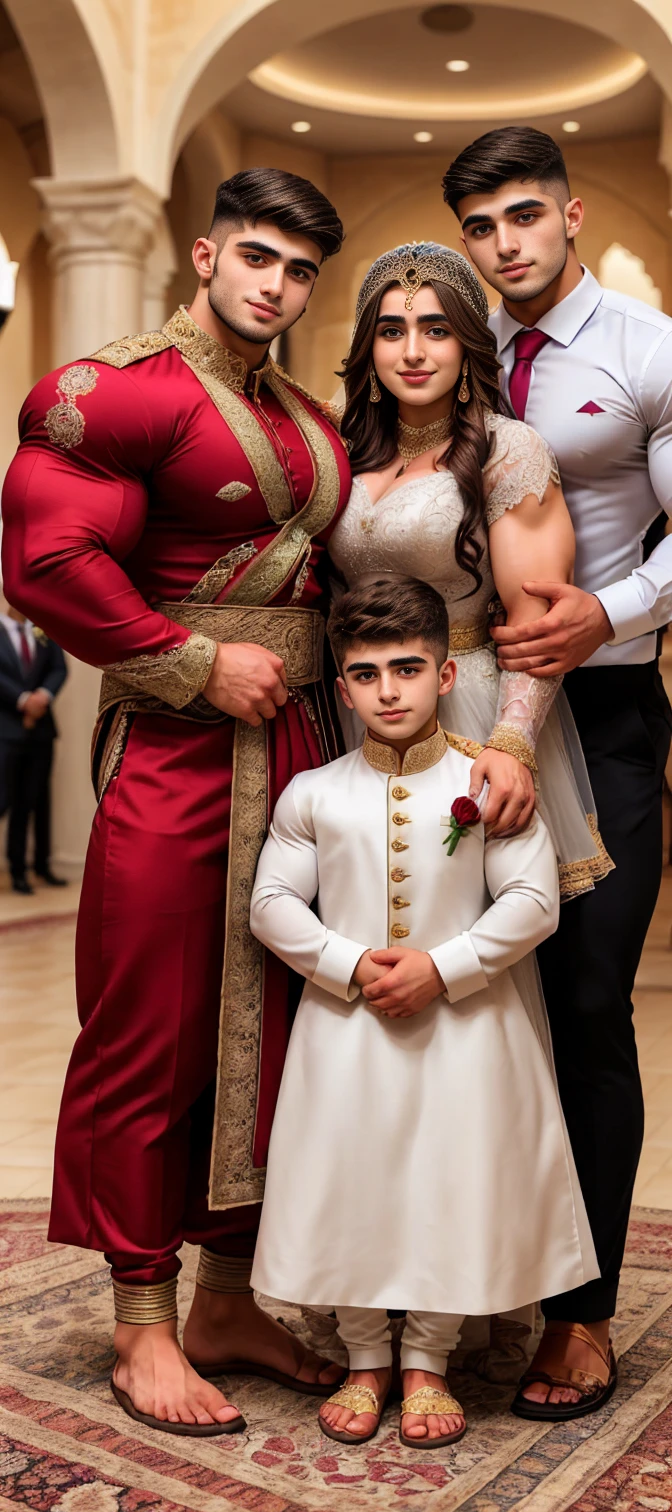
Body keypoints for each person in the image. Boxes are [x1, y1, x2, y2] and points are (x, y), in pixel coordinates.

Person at [1, 167, 352, 1436]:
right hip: (174, 743)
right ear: (205, 256)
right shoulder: (114, 391)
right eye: (257, 255)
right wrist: (199, 662)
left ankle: (227, 1298)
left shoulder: (309, 418)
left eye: (301, 269)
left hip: (304, 746)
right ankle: (141, 1324)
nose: (277, 284)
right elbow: (45, 558)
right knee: (148, 1025)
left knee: (269, 1037)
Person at [249, 575, 600, 1450]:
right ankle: (367, 1354)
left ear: (446, 675)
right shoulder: (313, 794)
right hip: (348, 1028)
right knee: (356, 1175)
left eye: (408, 669)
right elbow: (271, 904)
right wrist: (350, 962)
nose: (389, 691)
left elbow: (532, 900)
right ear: (342, 687)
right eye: (366, 675)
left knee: (452, 1174)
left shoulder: (488, 783)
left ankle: (430, 1358)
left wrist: (443, 969)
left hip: (466, 1030)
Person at [443, 124, 672, 1419]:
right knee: (477, 1005)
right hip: (468, 719)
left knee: (588, 1005)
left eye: (522, 215)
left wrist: (612, 613)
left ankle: (580, 1318)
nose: (503, 245)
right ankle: (475, 1271)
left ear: (572, 215)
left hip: (610, 710)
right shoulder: (452, 356)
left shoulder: (648, 351)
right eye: (480, 225)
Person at [328, 241, 613, 900]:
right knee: (380, 910)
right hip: (358, 710)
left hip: (473, 710)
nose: (413, 351)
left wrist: (511, 742)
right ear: (368, 348)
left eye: (437, 329)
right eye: (391, 331)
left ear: (467, 348)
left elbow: (534, 617)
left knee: (470, 921)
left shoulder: (506, 449)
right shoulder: (342, 455)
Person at [0, 604, 67, 893]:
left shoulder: (43, 631)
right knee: (9, 800)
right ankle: (16, 871)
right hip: (7, 730)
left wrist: (42, 695)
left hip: (42, 730)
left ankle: (41, 865)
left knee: (39, 799)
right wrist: (22, 699)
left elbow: (59, 668)